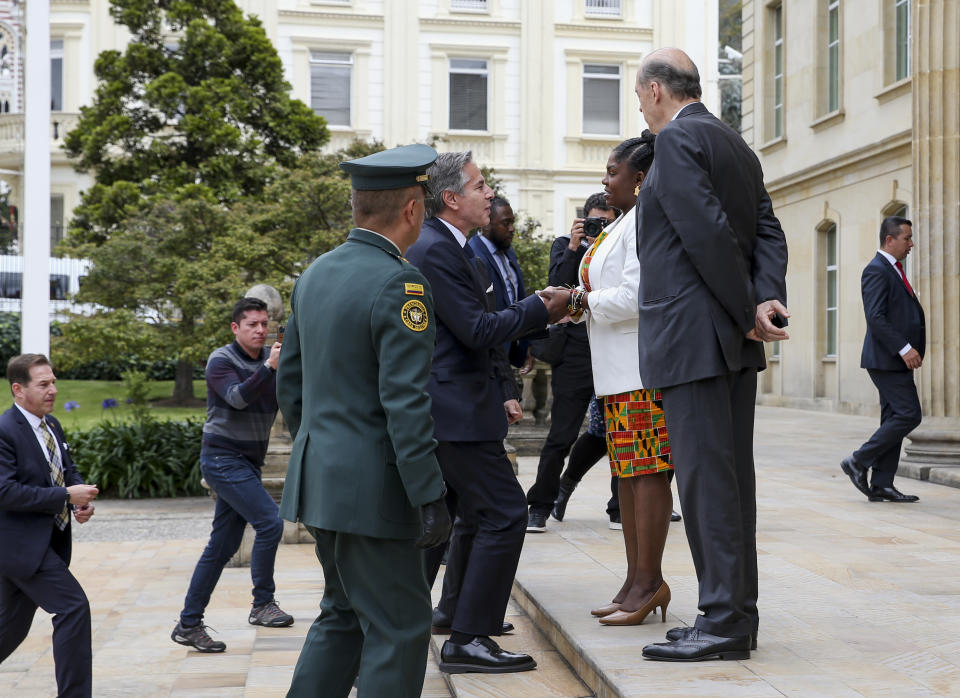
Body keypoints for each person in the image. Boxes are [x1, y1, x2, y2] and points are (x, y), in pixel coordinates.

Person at [632, 48, 789, 662]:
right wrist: (764, 298)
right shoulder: (735, 144)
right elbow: (768, 229)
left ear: (654, 91)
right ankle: (732, 616)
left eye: (638, 97)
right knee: (730, 484)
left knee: (705, 487)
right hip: (727, 342)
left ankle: (722, 622)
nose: (640, 108)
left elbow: (705, 236)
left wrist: (746, 306)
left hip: (696, 338)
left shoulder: (674, 143)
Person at [277, 144, 451, 697]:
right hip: (375, 492)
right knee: (400, 626)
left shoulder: (316, 274)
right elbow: (405, 403)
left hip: (323, 481)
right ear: (412, 210)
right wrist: (428, 494)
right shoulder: (401, 283)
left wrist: (325, 450)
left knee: (343, 614)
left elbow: (292, 385)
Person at [405, 150, 571, 674]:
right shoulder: (436, 250)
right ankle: (469, 637)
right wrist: (540, 308)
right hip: (454, 413)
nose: (490, 195)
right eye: (480, 187)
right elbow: (475, 329)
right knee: (505, 512)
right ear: (451, 198)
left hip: (462, 408)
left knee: (459, 519)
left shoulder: (456, 246)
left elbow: (478, 333)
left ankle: (444, 617)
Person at [564, 133, 675, 628]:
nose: (605, 181)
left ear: (641, 177)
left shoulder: (649, 220)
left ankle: (649, 583)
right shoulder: (624, 222)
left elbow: (637, 296)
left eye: (613, 172)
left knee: (647, 476)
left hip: (640, 370)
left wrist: (579, 302)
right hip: (613, 372)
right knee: (627, 478)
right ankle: (634, 581)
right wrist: (575, 304)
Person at [172, 298, 293, 654]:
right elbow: (237, 398)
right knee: (271, 523)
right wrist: (270, 368)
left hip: (247, 463)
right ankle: (262, 604)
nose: (259, 330)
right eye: (252, 324)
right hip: (223, 459)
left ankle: (189, 623)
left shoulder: (274, 364)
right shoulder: (221, 360)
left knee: (221, 547)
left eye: (263, 324)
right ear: (235, 328)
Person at [0, 353, 99, 697]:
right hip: (19, 546)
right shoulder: (4, 430)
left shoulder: (51, 424)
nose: (53, 389)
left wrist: (80, 500)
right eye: (43, 384)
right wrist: (64, 497)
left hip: (42, 545)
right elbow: (6, 492)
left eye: (53, 381)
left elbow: (66, 469)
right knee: (73, 608)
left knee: (10, 628)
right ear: (18, 389)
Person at [526, 193, 620, 532]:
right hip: (576, 352)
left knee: (618, 433)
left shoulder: (620, 248)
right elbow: (556, 288)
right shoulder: (567, 245)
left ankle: (619, 507)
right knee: (560, 434)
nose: (599, 228)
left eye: (605, 223)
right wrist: (575, 247)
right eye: (593, 222)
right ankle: (539, 504)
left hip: (613, 347)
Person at [841, 216, 924, 503]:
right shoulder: (876, 270)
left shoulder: (894, 269)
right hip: (887, 358)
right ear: (890, 240)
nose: (911, 243)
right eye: (907, 238)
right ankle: (858, 460)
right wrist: (904, 348)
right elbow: (875, 318)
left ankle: (882, 484)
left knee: (894, 416)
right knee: (909, 414)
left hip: (894, 361)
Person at [468, 196, 529, 368]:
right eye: (505, 223)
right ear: (486, 223)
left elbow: (517, 297)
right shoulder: (473, 255)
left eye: (513, 222)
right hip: (490, 353)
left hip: (513, 350)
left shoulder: (507, 251)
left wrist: (526, 345)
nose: (512, 229)